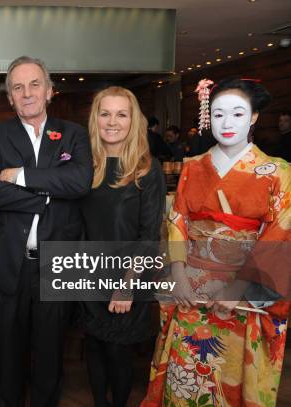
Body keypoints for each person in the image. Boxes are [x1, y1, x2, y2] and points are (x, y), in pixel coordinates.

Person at [142, 78, 291, 406]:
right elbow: (177, 219)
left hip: (242, 290)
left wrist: (238, 288)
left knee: (230, 377)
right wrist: (178, 274)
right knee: (186, 374)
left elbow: (279, 235)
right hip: (191, 286)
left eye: (238, 114)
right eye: (219, 114)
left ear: (253, 118)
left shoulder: (278, 172)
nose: (227, 123)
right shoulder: (194, 166)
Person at [0, 56, 92, 407]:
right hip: (8, 264)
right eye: (18, 87)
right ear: (10, 97)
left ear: (50, 91)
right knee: (9, 355)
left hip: (57, 263)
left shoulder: (74, 134)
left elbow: (80, 181)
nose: (27, 93)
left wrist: (22, 176)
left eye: (34, 84)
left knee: (50, 353)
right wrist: (46, 199)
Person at [76, 86, 165, 407]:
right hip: (88, 275)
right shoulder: (84, 165)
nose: (112, 122)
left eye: (121, 114)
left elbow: (148, 236)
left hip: (128, 276)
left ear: (134, 120)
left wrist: (127, 286)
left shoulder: (146, 168)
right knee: (96, 348)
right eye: (105, 113)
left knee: (117, 351)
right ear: (95, 118)